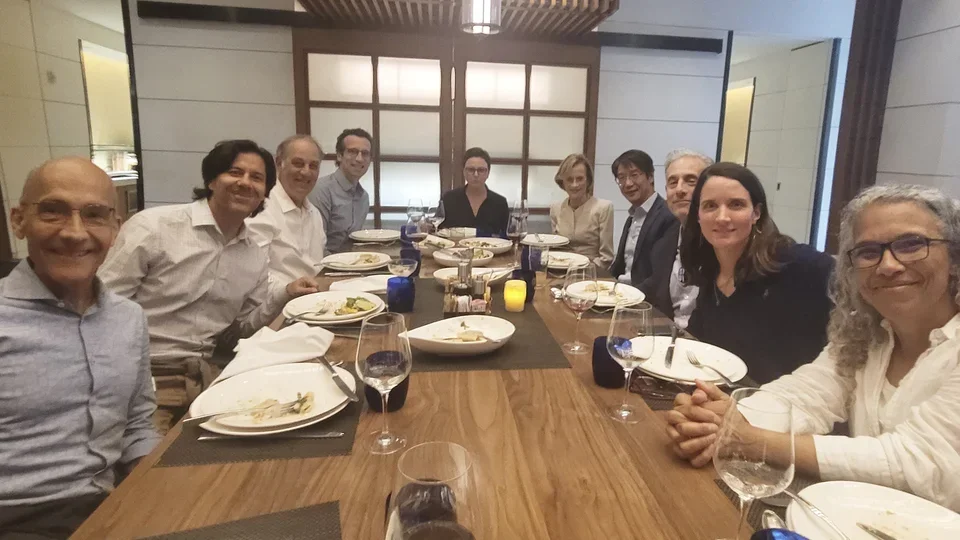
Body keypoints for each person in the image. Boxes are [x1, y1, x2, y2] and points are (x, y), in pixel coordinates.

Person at [666, 184, 960, 512]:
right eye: (868, 252)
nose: (888, 265)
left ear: (955, 257)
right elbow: (805, 396)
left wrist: (751, 439)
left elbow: (922, 465)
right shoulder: (870, 335)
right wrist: (719, 421)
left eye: (911, 245)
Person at [99, 140, 319, 432]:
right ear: (212, 180)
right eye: (234, 172)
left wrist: (285, 293)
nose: (245, 183)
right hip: (148, 377)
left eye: (256, 178)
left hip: (209, 375)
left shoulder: (253, 253)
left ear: (265, 192)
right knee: (155, 465)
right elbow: (100, 309)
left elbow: (242, 328)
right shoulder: (154, 228)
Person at [1, 158, 161, 538]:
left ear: (115, 228)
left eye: (93, 215)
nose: (75, 233)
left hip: (112, 507)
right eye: (53, 212)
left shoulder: (129, 318)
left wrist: (160, 488)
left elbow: (138, 424)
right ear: (19, 220)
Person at [679, 162, 834, 384]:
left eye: (736, 205)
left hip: (785, 409)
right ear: (698, 216)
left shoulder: (799, 264)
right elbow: (698, 345)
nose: (722, 217)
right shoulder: (710, 271)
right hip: (724, 402)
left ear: (756, 213)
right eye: (710, 206)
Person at [639, 149, 713, 329]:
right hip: (669, 336)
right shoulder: (665, 243)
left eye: (691, 181)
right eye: (673, 182)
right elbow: (653, 288)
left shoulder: (724, 243)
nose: (680, 189)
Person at [247, 134, 326, 284]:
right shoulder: (261, 208)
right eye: (298, 163)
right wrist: (287, 290)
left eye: (313, 166)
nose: (306, 172)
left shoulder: (314, 213)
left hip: (315, 298)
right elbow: (253, 276)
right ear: (279, 163)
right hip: (276, 303)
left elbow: (316, 267)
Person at [609, 149, 676, 287]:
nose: (627, 183)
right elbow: (618, 266)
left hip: (641, 299)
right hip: (621, 291)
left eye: (634, 175)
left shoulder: (667, 216)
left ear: (650, 176)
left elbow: (659, 277)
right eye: (621, 178)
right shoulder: (633, 216)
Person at [308, 128, 371, 253]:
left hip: (351, 263)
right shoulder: (321, 190)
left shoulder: (363, 197)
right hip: (324, 267)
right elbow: (315, 246)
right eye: (353, 152)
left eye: (365, 153)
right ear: (339, 155)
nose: (359, 159)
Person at [549, 153, 614, 269]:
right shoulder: (556, 208)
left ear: (588, 180)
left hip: (592, 272)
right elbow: (555, 250)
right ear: (562, 182)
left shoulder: (603, 208)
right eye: (569, 179)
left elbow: (606, 258)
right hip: (560, 270)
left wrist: (581, 271)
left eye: (579, 179)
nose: (574, 185)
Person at [438, 147, 509, 236]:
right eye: (471, 170)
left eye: (481, 170)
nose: (476, 174)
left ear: (488, 173)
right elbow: (438, 230)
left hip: (492, 249)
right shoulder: (449, 198)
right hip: (455, 249)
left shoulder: (500, 203)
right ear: (464, 172)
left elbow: (507, 236)